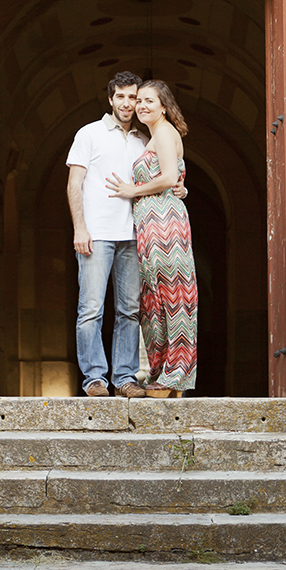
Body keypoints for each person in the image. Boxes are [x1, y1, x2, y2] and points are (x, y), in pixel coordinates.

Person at [107, 79, 198, 398]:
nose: (142, 106)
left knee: (174, 297)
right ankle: (162, 372)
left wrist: (134, 190)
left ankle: (175, 375)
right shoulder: (153, 136)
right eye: (139, 101)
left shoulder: (165, 132)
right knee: (154, 300)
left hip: (164, 224)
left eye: (149, 101)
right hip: (149, 225)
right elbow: (175, 178)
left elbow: (171, 177)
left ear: (164, 105)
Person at [66, 72, 149, 399]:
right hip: (96, 234)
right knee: (91, 309)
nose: (127, 103)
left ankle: (125, 378)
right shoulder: (89, 134)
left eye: (133, 97)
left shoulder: (143, 140)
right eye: (122, 97)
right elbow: (75, 184)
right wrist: (80, 227)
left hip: (132, 236)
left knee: (129, 310)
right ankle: (95, 379)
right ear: (111, 99)